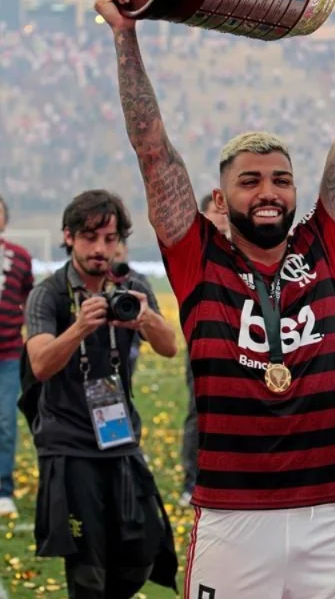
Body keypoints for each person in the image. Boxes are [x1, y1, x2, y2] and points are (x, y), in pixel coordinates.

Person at [96, 0, 335, 598]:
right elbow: (154, 151)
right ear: (225, 192)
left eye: (280, 179)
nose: (268, 192)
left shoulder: (326, 249)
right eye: (250, 180)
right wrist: (125, 38)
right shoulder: (196, 258)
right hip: (232, 518)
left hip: (327, 515)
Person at [23, 190, 178, 599]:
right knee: (88, 567)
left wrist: (144, 317)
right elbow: (39, 364)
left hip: (120, 436)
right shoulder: (50, 294)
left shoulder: (131, 286)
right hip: (69, 442)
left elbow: (169, 346)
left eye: (110, 239)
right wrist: (79, 328)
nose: (101, 249)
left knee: (145, 548)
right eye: (90, 238)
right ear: (69, 237)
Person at [180, 193, 230, 505]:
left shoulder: (247, 247)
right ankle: (191, 481)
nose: (223, 217)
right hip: (203, 338)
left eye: (227, 211)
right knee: (199, 412)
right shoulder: (197, 249)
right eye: (217, 211)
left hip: (241, 341)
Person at [0, 196, 34, 517]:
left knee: (6, 422)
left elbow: (30, 297)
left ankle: (3, 488)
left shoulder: (20, 257)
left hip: (9, 353)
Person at [110, 238, 160, 377]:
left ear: (126, 251)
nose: (114, 261)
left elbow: (167, 343)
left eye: (118, 255)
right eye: (111, 256)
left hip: (130, 344)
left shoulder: (138, 281)